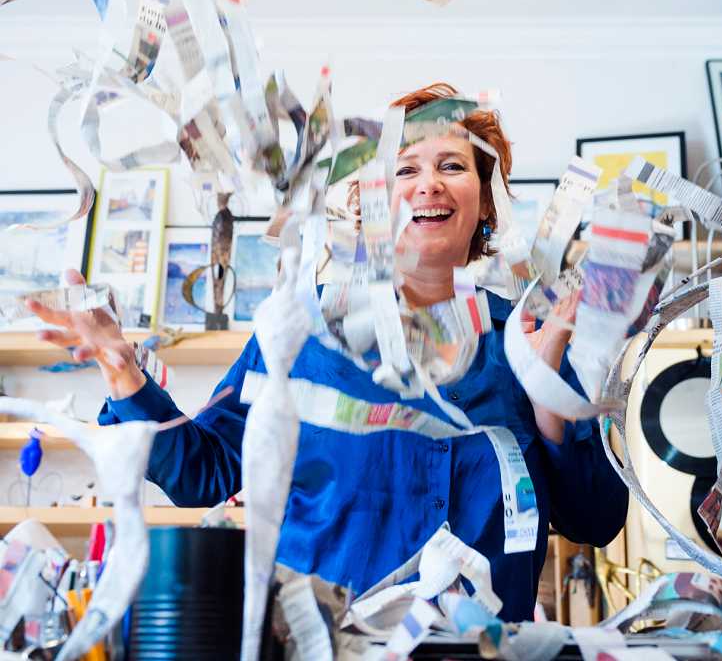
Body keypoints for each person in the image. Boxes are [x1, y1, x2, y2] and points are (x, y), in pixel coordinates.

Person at [28, 82, 628, 621]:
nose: (429, 183)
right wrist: (120, 367)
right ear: (370, 200)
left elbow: (596, 520)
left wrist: (549, 394)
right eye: (404, 168)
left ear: (485, 206)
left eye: (452, 164)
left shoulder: (530, 340)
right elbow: (201, 471)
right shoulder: (302, 328)